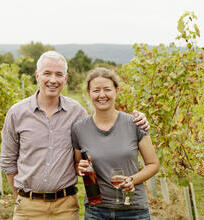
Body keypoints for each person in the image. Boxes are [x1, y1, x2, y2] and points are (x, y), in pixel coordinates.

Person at [0, 51, 150, 220]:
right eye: (47, 73)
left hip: (65, 207)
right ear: (37, 75)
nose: (53, 80)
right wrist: (19, 197)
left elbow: (101, 126)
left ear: (65, 78)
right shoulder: (17, 113)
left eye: (59, 74)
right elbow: (8, 160)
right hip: (28, 206)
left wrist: (139, 120)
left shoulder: (77, 112)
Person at [72, 67, 160, 220]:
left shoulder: (135, 123)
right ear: (89, 93)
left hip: (133, 209)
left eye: (107, 89)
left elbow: (153, 164)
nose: (102, 95)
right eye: (96, 90)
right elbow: (77, 164)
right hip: (96, 211)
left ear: (117, 90)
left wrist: (132, 179)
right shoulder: (79, 129)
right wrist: (79, 168)